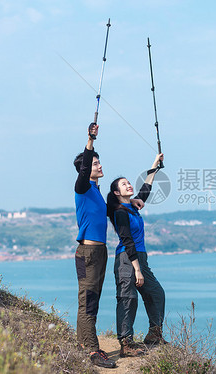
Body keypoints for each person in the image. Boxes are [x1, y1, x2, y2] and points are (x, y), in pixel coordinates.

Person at [73, 123, 143, 368]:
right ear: (85, 169)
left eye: (99, 162)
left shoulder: (96, 190)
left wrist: (132, 198)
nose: (100, 165)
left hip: (98, 252)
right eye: (95, 163)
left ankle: (83, 344)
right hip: (88, 252)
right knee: (89, 300)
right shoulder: (82, 187)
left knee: (91, 298)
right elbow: (84, 170)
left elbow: (117, 203)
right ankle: (92, 351)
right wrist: (90, 140)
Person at [106, 153, 167, 358]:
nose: (129, 185)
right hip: (126, 259)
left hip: (140, 257)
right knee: (128, 298)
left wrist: (154, 166)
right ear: (116, 192)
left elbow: (145, 189)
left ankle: (154, 334)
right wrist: (137, 269)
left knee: (156, 293)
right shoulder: (120, 212)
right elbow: (127, 240)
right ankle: (126, 344)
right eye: (124, 184)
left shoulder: (133, 206)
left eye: (129, 182)